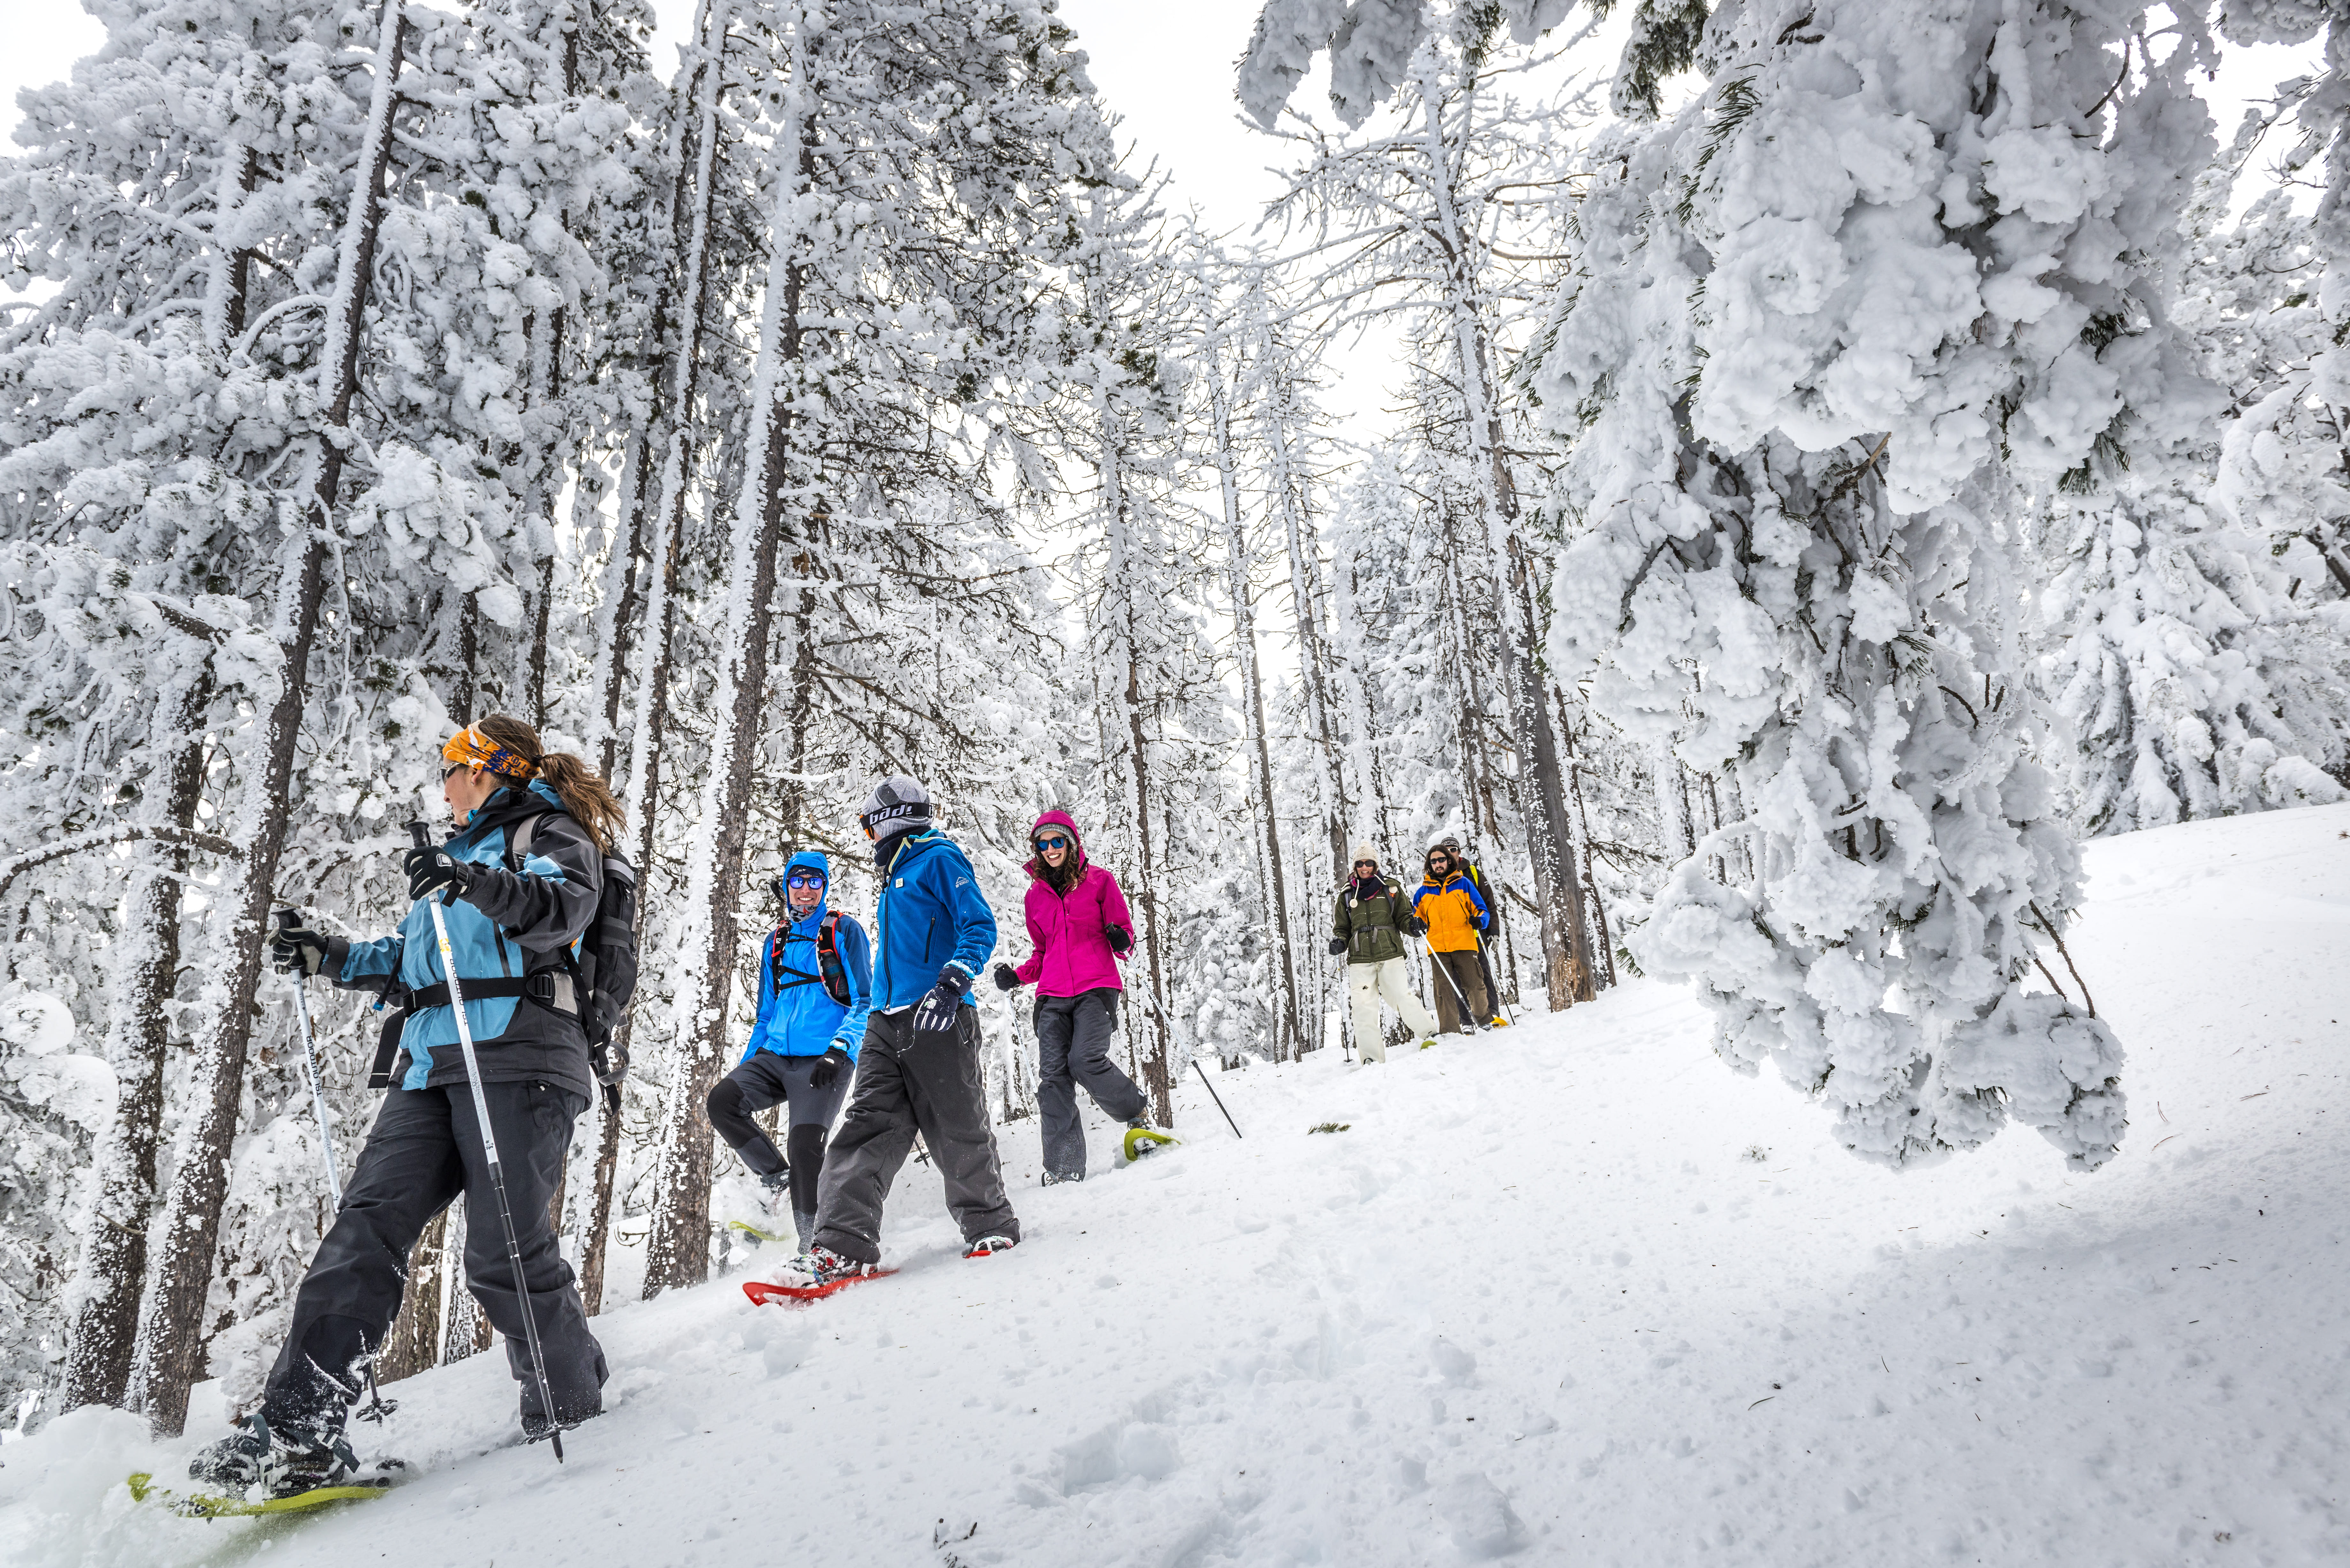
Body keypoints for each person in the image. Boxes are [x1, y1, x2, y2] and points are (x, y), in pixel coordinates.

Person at [195, 716, 617, 1498]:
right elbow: (416, 960)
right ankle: (298, 1433)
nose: (444, 784)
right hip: (429, 1064)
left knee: (503, 1256)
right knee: (365, 1229)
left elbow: (563, 908)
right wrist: (334, 955)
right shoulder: (453, 861)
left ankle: (570, 1405)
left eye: (452, 768)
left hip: (520, 1056)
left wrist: (473, 881)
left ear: (488, 769)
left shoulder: (548, 833)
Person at [783, 777, 1019, 1286]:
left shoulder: (938, 858)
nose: (871, 841)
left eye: (871, 829)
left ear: (891, 819)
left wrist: (953, 983)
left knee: (956, 1120)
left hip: (937, 1014)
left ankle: (990, 1225)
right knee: (865, 1126)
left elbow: (979, 925)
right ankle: (842, 1246)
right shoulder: (895, 877)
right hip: (885, 1022)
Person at [705, 850, 871, 1252]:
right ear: (786, 887)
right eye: (797, 881)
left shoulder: (843, 932)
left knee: (804, 1146)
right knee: (722, 1101)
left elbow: (866, 1001)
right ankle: (776, 1178)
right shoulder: (775, 941)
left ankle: (813, 1248)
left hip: (823, 1061)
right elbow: (766, 1012)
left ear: (825, 886)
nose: (805, 890)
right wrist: (749, 1065)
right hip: (775, 1055)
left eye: (815, 882)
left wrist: (840, 1049)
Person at [991, 809, 1155, 1184]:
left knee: (1084, 1059)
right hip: (1051, 997)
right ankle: (1064, 1168)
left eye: (1057, 841)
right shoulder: (1035, 896)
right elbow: (1042, 953)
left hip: (1096, 989)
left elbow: (1126, 939)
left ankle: (1138, 1116)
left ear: (1072, 842)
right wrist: (1017, 976)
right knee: (1053, 1079)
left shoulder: (1100, 882)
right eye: (1043, 843)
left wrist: (1121, 940)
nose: (1050, 849)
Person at [1327, 844, 1438, 1063]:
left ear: (1376, 865)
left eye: (1369, 863)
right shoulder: (1347, 894)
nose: (1365, 867)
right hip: (1360, 960)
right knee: (1363, 1007)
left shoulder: (1391, 888)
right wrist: (1340, 942)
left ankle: (1430, 1034)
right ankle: (1371, 1058)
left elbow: (1404, 917)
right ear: (1355, 867)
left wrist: (1414, 926)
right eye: (1360, 864)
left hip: (1390, 954)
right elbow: (1342, 927)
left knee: (1400, 997)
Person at [1414, 844, 1491, 1036]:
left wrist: (1480, 920)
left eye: (1441, 860)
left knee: (1474, 984)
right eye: (1434, 861)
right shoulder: (1423, 891)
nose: (1438, 864)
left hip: (1464, 943)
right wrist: (1415, 924)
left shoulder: (1463, 883)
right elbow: (1416, 916)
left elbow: (1482, 909)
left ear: (1449, 860)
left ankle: (1483, 1020)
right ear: (1429, 865)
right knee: (1444, 991)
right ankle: (1450, 1031)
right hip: (1438, 947)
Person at [1438, 834, 1512, 1029]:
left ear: (1459, 852)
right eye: (1447, 851)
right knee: (1457, 976)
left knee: (1484, 971)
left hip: (1477, 930)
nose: (1451, 854)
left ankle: (1493, 1013)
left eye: (1453, 850)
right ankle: (1466, 1020)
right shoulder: (1439, 876)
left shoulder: (1472, 872)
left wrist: (1494, 930)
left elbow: (1489, 903)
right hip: (1453, 936)